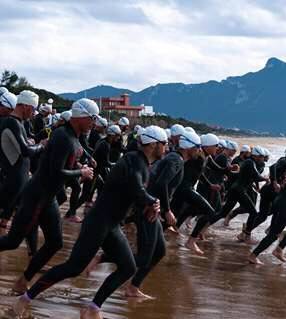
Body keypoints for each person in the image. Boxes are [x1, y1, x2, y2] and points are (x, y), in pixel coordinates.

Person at [14, 126, 164, 319]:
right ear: (153, 144)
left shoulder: (142, 163)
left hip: (111, 224)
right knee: (73, 267)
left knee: (128, 267)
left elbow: (131, 194)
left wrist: (149, 205)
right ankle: (25, 298)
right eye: (164, 144)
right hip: (98, 221)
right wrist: (152, 201)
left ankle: (93, 308)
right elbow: (136, 187)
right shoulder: (133, 161)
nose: (166, 148)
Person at [0, 98, 97, 294]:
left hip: (48, 196)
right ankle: (23, 280)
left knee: (55, 242)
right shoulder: (63, 136)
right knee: (12, 241)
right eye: (92, 119)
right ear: (81, 117)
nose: (94, 123)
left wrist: (78, 166)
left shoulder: (74, 136)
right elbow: (56, 171)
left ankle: (23, 280)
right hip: (37, 195)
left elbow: (63, 162)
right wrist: (81, 173)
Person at [0, 91, 45, 257]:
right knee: (27, 219)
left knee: (31, 219)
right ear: (25, 106)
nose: (33, 113)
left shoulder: (18, 123)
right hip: (13, 180)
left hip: (20, 179)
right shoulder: (12, 122)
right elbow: (25, 150)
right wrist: (42, 145)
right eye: (32, 109)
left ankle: (33, 254)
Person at [210, 146, 269, 243]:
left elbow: (247, 175)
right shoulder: (250, 162)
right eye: (261, 156)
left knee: (223, 213)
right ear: (256, 156)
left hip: (237, 189)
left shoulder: (249, 162)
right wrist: (266, 179)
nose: (263, 158)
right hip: (239, 190)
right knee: (253, 213)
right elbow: (256, 176)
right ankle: (246, 235)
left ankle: (203, 227)